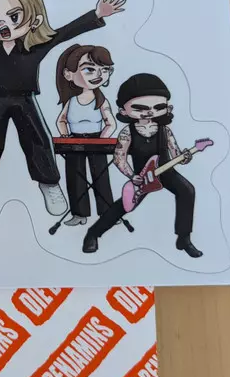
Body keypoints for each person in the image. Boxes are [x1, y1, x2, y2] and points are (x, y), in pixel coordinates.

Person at [0, 0, 126, 219]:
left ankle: (49, 184)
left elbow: (65, 32)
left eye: (13, 17)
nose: (2, 24)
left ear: (33, 21)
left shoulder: (33, 47)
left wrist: (97, 15)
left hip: (25, 99)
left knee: (38, 140)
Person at [82, 73, 202, 258]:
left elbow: (176, 154)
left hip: (166, 172)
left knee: (187, 190)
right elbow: (119, 158)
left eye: (158, 107)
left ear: (167, 108)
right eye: (140, 108)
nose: (149, 112)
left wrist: (186, 157)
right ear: (124, 111)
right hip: (142, 176)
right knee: (124, 205)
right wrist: (132, 176)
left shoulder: (165, 130)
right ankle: (93, 234)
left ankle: (184, 238)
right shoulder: (127, 132)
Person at [55, 44, 116, 226]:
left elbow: (111, 123)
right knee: (75, 177)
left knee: (101, 177)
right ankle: (79, 214)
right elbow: (61, 120)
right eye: (89, 69)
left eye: (104, 70)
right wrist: (65, 136)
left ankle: (107, 213)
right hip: (73, 140)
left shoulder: (101, 101)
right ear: (68, 74)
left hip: (97, 140)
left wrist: (102, 140)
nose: (98, 75)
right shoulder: (71, 101)